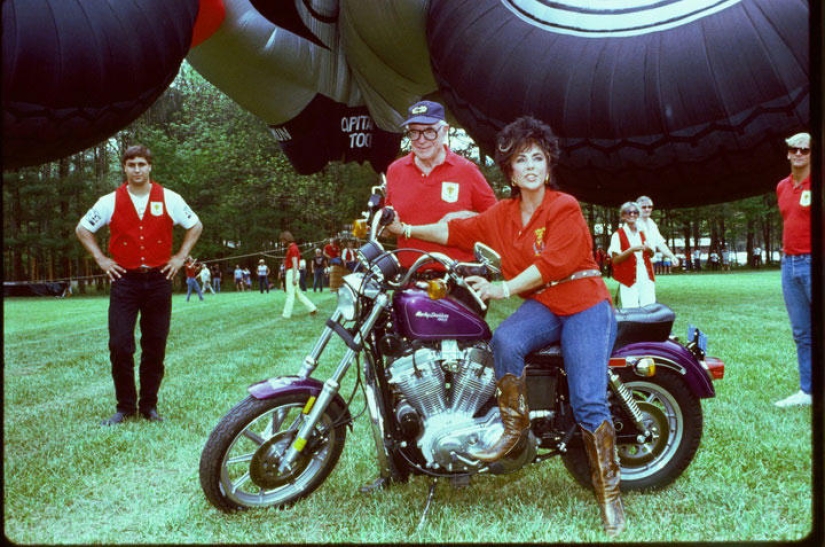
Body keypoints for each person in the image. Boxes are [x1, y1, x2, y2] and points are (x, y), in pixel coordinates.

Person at [388, 116, 624, 537]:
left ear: (548, 166)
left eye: (538, 158)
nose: (531, 166)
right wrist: (404, 228)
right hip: (545, 305)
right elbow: (454, 229)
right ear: (511, 172)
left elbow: (553, 263)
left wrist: (503, 287)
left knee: (588, 399)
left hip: (585, 303)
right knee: (505, 339)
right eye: (521, 160)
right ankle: (513, 429)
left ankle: (609, 496)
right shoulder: (503, 214)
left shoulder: (564, 206)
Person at [75, 144, 202, 425]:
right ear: (124, 168)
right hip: (124, 281)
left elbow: (195, 226)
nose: (137, 169)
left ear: (150, 167)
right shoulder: (109, 201)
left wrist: (180, 257)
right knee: (120, 345)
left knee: (155, 345)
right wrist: (101, 259)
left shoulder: (169, 198)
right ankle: (124, 407)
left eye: (142, 164)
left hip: (159, 280)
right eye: (131, 164)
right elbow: (83, 229)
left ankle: (149, 406)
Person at [386, 100, 497, 268]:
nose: (421, 140)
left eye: (429, 131)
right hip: (410, 279)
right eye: (414, 132)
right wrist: (381, 221)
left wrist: (470, 218)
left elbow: (497, 220)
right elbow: (388, 229)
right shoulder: (396, 170)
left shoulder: (466, 170)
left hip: (457, 280)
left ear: (445, 131)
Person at [774, 132, 813, 408]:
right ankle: (807, 390)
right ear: (788, 153)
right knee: (801, 332)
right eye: (794, 149)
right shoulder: (782, 187)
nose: (799, 153)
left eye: (804, 149)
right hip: (789, 265)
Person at [608, 202, 656, 308]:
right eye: (628, 212)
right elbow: (615, 260)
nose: (632, 215)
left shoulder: (643, 233)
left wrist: (648, 249)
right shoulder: (617, 235)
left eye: (635, 212)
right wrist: (632, 250)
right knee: (631, 310)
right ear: (623, 216)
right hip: (628, 277)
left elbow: (651, 254)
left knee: (649, 308)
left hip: (646, 276)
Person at [280, 231, 317, 318]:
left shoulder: (293, 248)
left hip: (292, 272)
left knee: (290, 294)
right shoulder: (292, 248)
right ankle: (312, 308)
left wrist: (293, 277)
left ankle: (286, 314)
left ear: (286, 239)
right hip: (293, 272)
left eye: (282, 240)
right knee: (298, 294)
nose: (282, 242)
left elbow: (295, 262)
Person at [635, 196, 678, 269]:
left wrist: (672, 256)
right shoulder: (633, 224)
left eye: (649, 207)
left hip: (649, 264)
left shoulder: (652, 223)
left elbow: (660, 243)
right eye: (644, 207)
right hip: (636, 264)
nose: (647, 209)